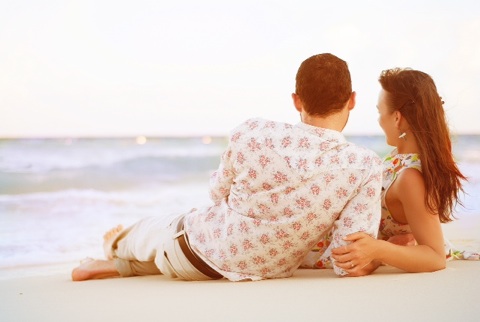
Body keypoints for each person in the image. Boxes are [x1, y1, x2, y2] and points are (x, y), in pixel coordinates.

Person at [71, 53, 383, 282]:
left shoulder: (252, 131)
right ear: (352, 100)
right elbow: (347, 259)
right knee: (176, 243)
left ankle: (115, 245)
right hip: (263, 267)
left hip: (194, 252)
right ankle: (110, 264)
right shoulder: (365, 165)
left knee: (154, 233)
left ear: (296, 101)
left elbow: (216, 193)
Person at [303, 67, 469, 275]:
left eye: (380, 113)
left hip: (336, 252)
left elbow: (435, 257)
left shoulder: (410, 177)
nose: (379, 120)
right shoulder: (398, 160)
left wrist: (379, 250)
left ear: (397, 118)